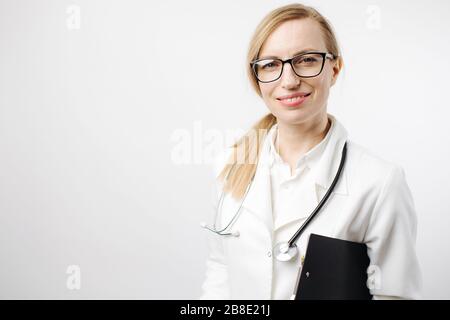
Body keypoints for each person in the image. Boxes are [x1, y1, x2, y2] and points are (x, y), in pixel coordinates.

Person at [200, 3, 422, 300]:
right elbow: (220, 270)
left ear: (334, 68)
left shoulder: (380, 183)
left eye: (306, 60)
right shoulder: (229, 164)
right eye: (271, 64)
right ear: (257, 78)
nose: (289, 81)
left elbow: (396, 296)